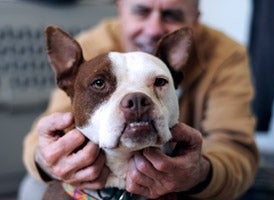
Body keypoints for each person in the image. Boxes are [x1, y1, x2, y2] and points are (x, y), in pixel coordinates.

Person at [21, 0, 259, 199]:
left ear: (195, 19)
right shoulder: (91, 47)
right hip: (93, 178)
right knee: (33, 187)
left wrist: (200, 174)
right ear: (121, 8)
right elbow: (44, 133)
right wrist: (45, 159)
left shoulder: (227, 56)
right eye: (141, 11)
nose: (154, 28)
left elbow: (235, 145)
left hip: (193, 168)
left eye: (172, 14)